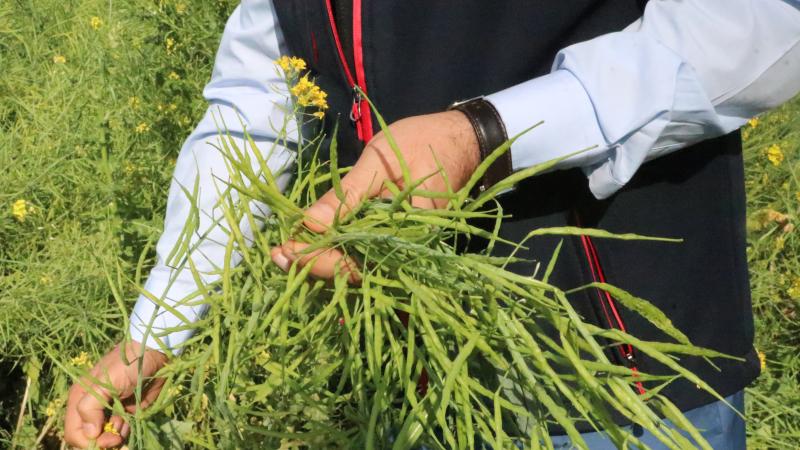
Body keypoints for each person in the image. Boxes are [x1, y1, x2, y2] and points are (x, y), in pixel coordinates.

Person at [64, 0, 800, 448]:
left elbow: (756, 25)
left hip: (618, 395)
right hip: (404, 386)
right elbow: (258, 102)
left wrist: (486, 134)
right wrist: (158, 331)